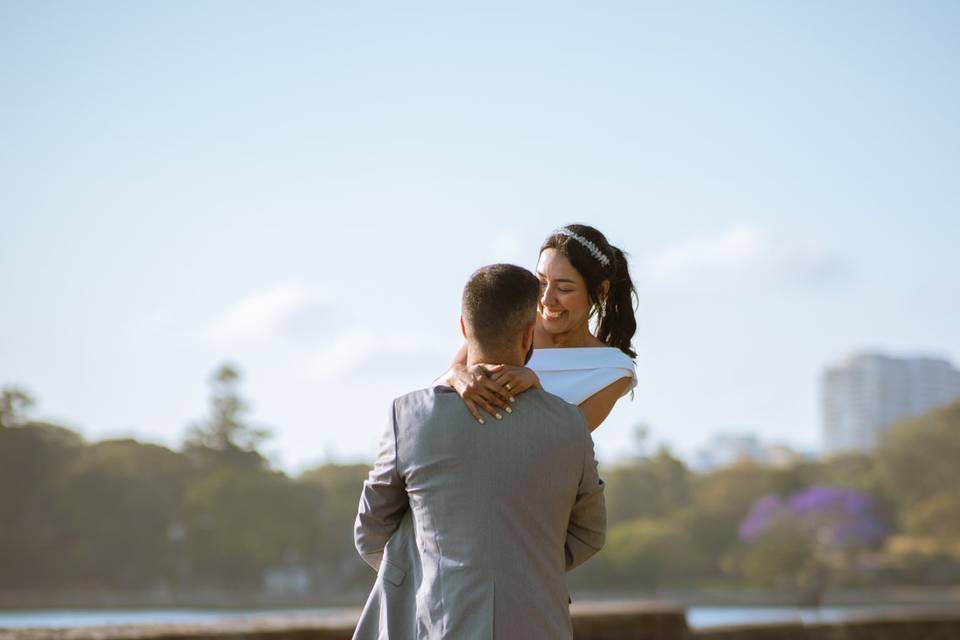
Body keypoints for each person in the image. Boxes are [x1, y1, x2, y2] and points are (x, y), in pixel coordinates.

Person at [353, 264, 606, 639]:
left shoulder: (408, 417)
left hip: (440, 625)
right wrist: (527, 568)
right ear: (527, 335)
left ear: (463, 328)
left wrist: (429, 575)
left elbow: (370, 532)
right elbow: (589, 533)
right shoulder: (569, 424)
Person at [438, 224, 638, 431]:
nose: (546, 299)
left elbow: (570, 441)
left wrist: (536, 389)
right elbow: (435, 394)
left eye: (564, 288)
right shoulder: (511, 322)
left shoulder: (612, 369)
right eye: (541, 282)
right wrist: (456, 375)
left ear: (600, 290)